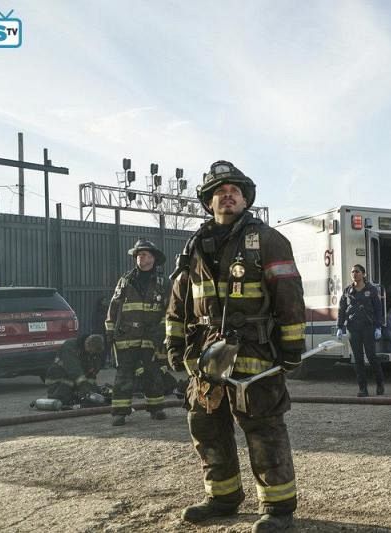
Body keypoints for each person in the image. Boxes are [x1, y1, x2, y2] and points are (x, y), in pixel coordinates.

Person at [165, 160, 305, 531]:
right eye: (220, 192)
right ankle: (222, 497)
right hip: (207, 354)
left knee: (262, 426)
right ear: (208, 202)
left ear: (245, 200)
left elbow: (289, 295)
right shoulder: (195, 245)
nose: (227, 196)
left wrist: (291, 347)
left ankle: (278, 509)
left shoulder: (268, 240)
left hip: (254, 350)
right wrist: (175, 343)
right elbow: (179, 301)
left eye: (234, 192)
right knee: (205, 423)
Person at [105, 239, 169, 426]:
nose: (141, 257)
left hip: (151, 337)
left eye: (145, 254)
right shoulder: (125, 281)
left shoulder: (163, 283)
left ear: (153, 258)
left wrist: (162, 330)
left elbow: (170, 310)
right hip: (127, 337)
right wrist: (109, 330)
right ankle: (119, 413)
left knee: (152, 373)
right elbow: (114, 307)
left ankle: (156, 408)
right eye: (138, 255)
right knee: (124, 375)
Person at [337, 264, 385, 397]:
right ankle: (362, 388)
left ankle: (380, 383)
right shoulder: (347, 291)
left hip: (368, 327)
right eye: (352, 272)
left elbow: (378, 309)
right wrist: (340, 326)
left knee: (371, 356)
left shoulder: (371, 290)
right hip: (353, 328)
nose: (354, 274)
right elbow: (342, 309)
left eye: (357, 272)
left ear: (363, 274)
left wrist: (378, 327)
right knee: (358, 359)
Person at [45, 334, 106, 405]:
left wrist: (93, 389)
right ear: (87, 344)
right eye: (90, 351)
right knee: (65, 397)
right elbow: (73, 370)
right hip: (59, 378)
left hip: (74, 378)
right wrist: (84, 386)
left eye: (93, 352)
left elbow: (92, 372)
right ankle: (59, 399)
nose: (91, 353)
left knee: (92, 392)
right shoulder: (70, 346)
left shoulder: (93, 353)